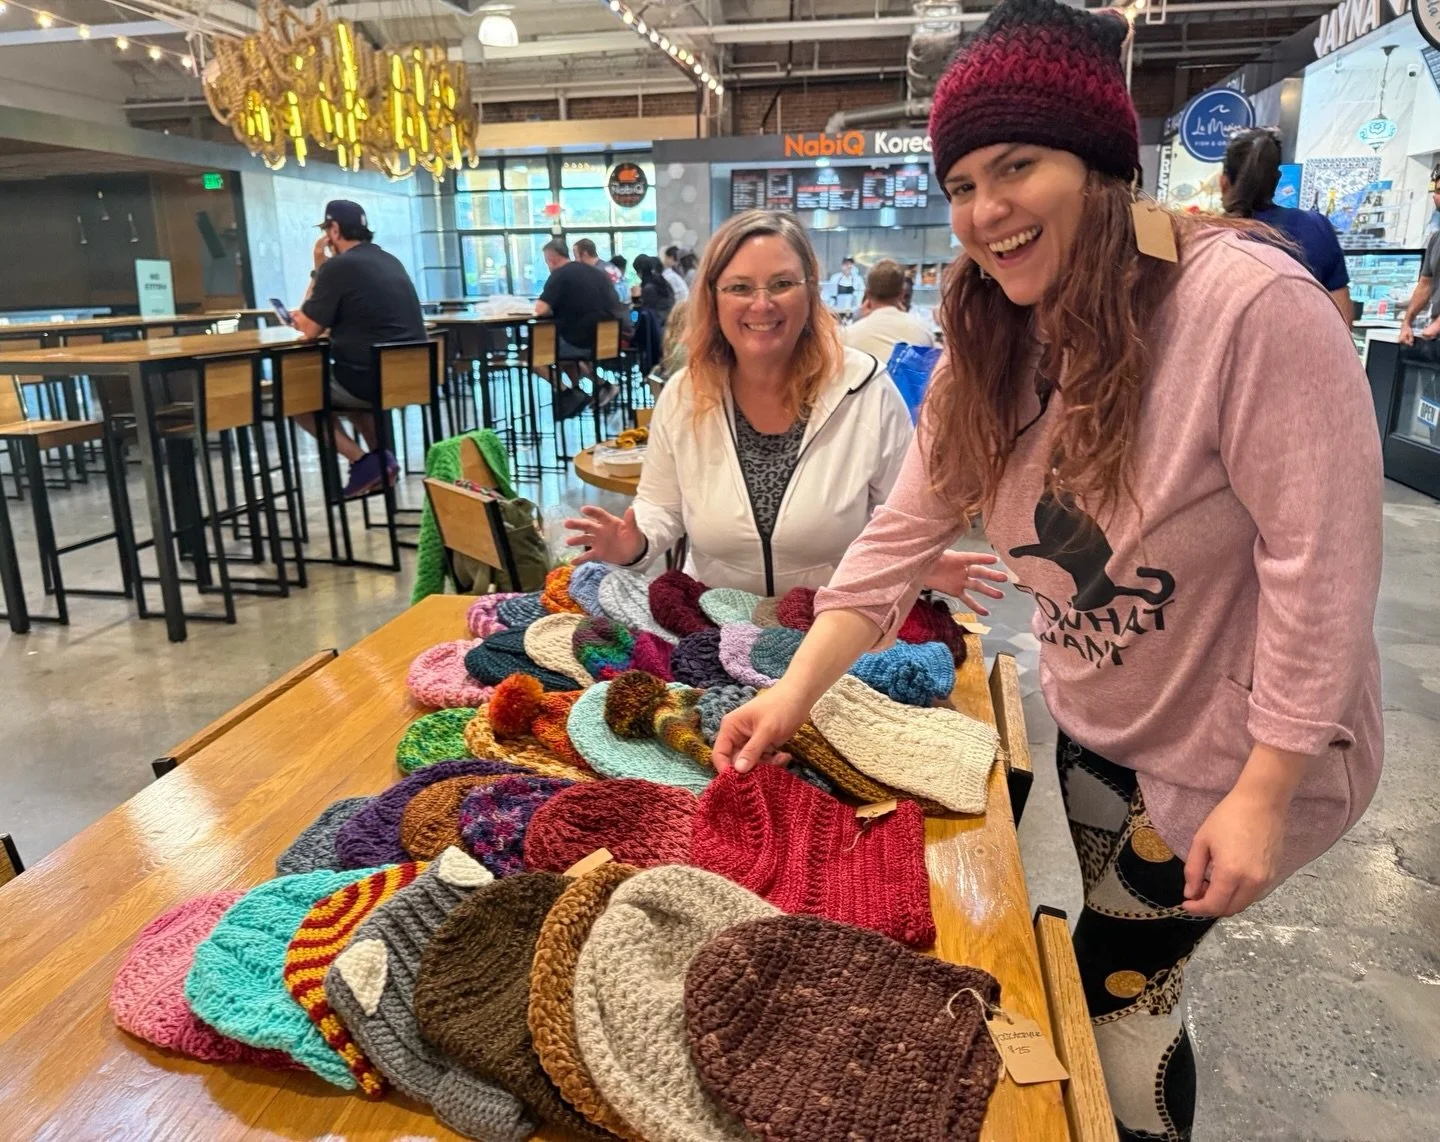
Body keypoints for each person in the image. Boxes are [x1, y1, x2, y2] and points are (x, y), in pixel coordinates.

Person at [713, 3, 1383, 1140]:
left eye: (1017, 166)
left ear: (1104, 162)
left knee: (1110, 992)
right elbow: (899, 539)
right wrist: (793, 690)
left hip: (1234, 748)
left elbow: (1324, 565)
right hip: (1099, 719)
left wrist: (1266, 788)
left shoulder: (1250, 310)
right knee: (1123, 984)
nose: (985, 211)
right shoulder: (998, 337)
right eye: (964, 181)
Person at [563, 210, 1001, 597]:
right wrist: (632, 544)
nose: (761, 303)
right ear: (713, 300)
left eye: (782, 284)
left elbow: (900, 519)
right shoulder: (685, 393)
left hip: (833, 631)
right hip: (712, 630)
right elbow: (663, 506)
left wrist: (921, 564)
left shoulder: (866, 388)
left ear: (810, 291)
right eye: (739, 287)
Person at [291, 199, 426, 498]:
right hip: (413, 375)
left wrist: (318, 267)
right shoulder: (389, 259)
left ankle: (363, 461)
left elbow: (309, 328)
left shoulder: (337, 267)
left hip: (370, 379)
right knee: (352, 394)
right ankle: (383, 460)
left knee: (296, 399)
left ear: (334, 230)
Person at [1221, 128, 1351, 323]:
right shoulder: (1316, 227)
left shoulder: (1214, 237)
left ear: (1223, 183)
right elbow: (1342, 318)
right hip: (1307, 349)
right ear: (1278, 180)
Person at [535, 237, 632, 417]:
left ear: (552, 258)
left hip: (581, 341)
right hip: (607, 338)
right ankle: (594, 387)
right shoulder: (596, 272)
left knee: (535, 357)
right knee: (570, 357)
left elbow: (540, 310)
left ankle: (568, 393)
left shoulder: (559, 275)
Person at [841, 258, 936, 363]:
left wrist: (859, 320)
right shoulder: (923, 330)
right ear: (902, 293)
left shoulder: (848, 335)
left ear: (867, 293)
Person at [1398, 163, 1440, 355]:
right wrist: (1407, 322)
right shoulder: (1435, 239)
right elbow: (1425, 285)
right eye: (1438, 190)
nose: (1438, 196)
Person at [630, 254, 675, 323]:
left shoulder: (649, 288)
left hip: (658, 324)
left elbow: (643, 313)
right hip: (669, 319)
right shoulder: (662, 280)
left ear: (641, 271)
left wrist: (635, 299)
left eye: (637, 272)